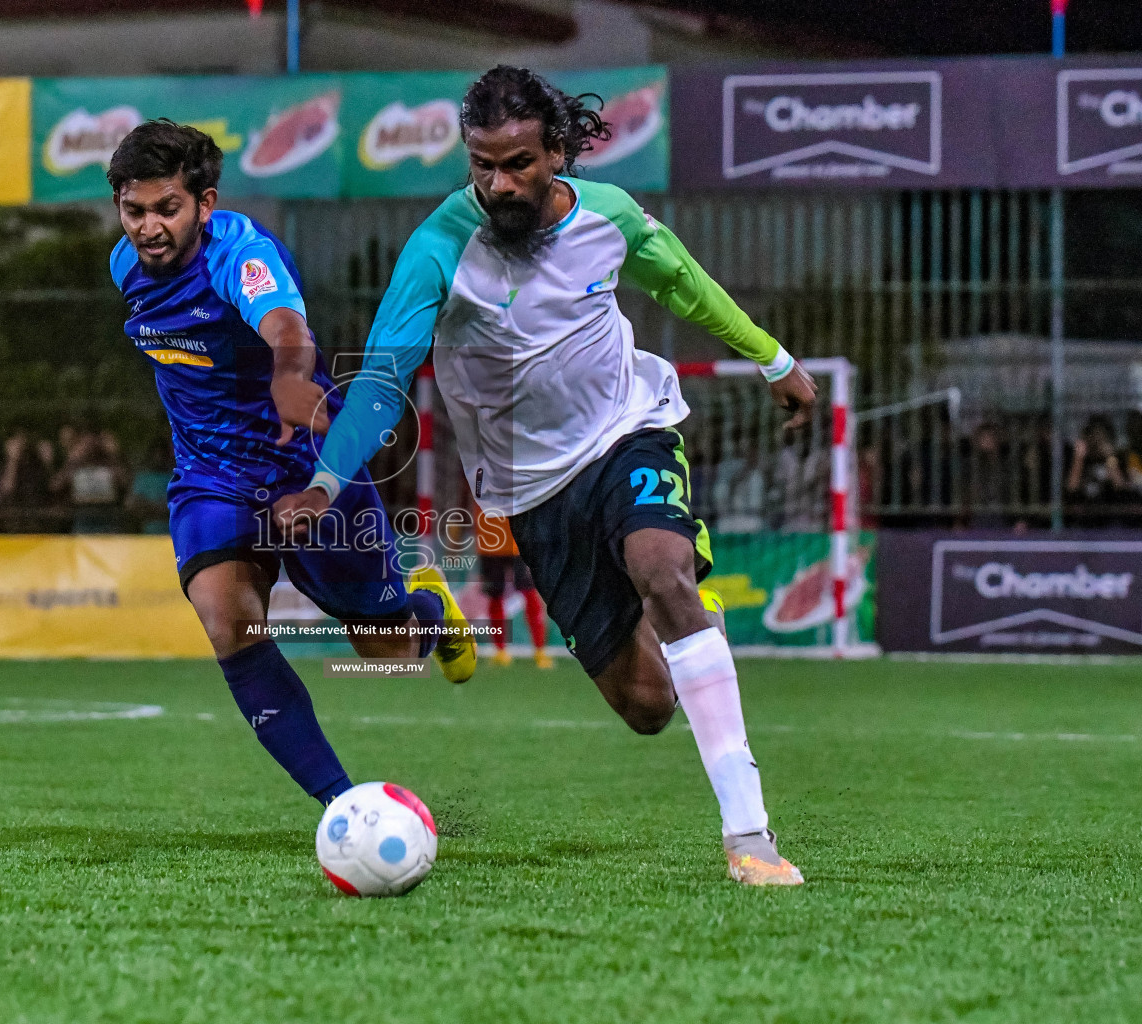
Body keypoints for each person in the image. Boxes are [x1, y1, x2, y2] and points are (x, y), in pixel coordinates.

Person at [273, 67, 815, 885]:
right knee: (646, 708)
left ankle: (751, 837)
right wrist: (323, 482)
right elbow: (383, 380)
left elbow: (685, 285)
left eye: (519, 162)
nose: (499, 183)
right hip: (530, 490)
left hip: (629, 431)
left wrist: (773, 360)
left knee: (662, 571)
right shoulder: (437, 250)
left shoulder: (611, 219)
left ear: (557, 152)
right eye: (482, 164)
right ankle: (689, 638)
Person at [106, 118, 475, 808]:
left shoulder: (241, 254)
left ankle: (429, 609)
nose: (148, 227)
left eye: (167, 209)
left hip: (302, 464)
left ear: (205, 204)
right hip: (211, 476)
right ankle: (343, 803)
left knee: (389, 653)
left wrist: (286, 377)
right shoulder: (125, 268)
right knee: (227, 622)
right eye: (134, 210)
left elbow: (287, 328)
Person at [474, 502, 552, 669]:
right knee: (495, 596)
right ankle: (500, 651)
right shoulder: (475, 477)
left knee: (529, 592)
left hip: (517, 543)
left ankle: (540, 650)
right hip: (489, 544)